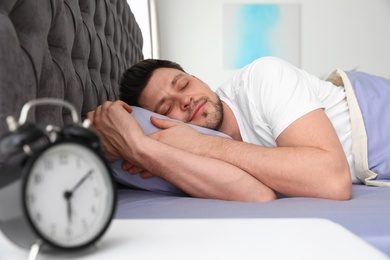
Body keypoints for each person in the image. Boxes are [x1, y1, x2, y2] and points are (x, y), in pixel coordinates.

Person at [87, 56, 390, 202]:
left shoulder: (262, 76)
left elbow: (331, 180)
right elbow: (259, 195)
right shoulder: (188, 156)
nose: (186, 100)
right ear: (161, 123)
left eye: (184, 84)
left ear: (198, 78)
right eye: (167, 110)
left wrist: (200, 144)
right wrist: (141, 146)